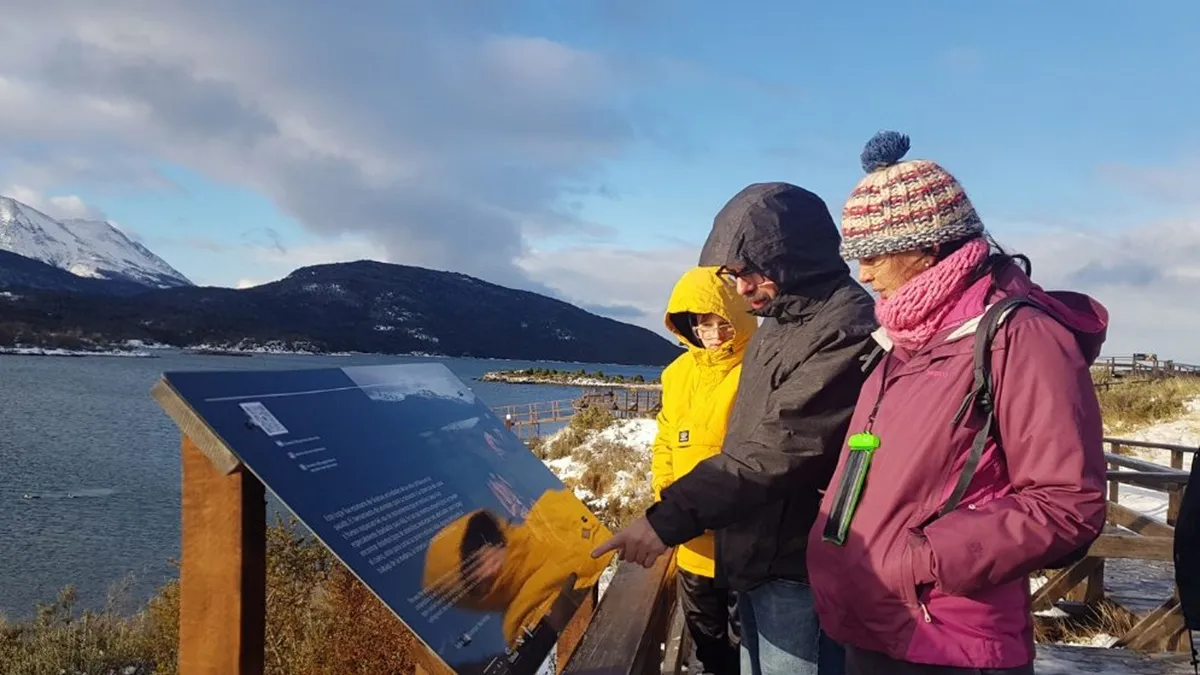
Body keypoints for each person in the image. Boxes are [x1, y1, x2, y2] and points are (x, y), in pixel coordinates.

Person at [806, 130, 1110, 675]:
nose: (863, 272)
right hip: (874, 621)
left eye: (873, 254)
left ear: (927, 246)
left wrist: (918, 560)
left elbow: (1068, 502)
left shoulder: (1020, 336)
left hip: (950, 639)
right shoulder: (903, 338)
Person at [595, 181, 879, 675]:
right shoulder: (778, 325)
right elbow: (738, 439)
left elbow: (778, 448)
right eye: (733, 274)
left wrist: (667, 519)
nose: (742, 289)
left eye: (749, 272)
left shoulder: (845, 327)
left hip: (798, 564)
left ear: (790, 256)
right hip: (752, 554)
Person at [652, 266, 759, 675]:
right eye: (699, 322)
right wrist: (667, 492)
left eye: (720, 321)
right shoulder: (677, 374)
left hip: (743, 548)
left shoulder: (758, 368)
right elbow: (664, 439)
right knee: (708, 652)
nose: (710, 332)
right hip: (692, 546)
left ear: (739, 314)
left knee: (746, 651)